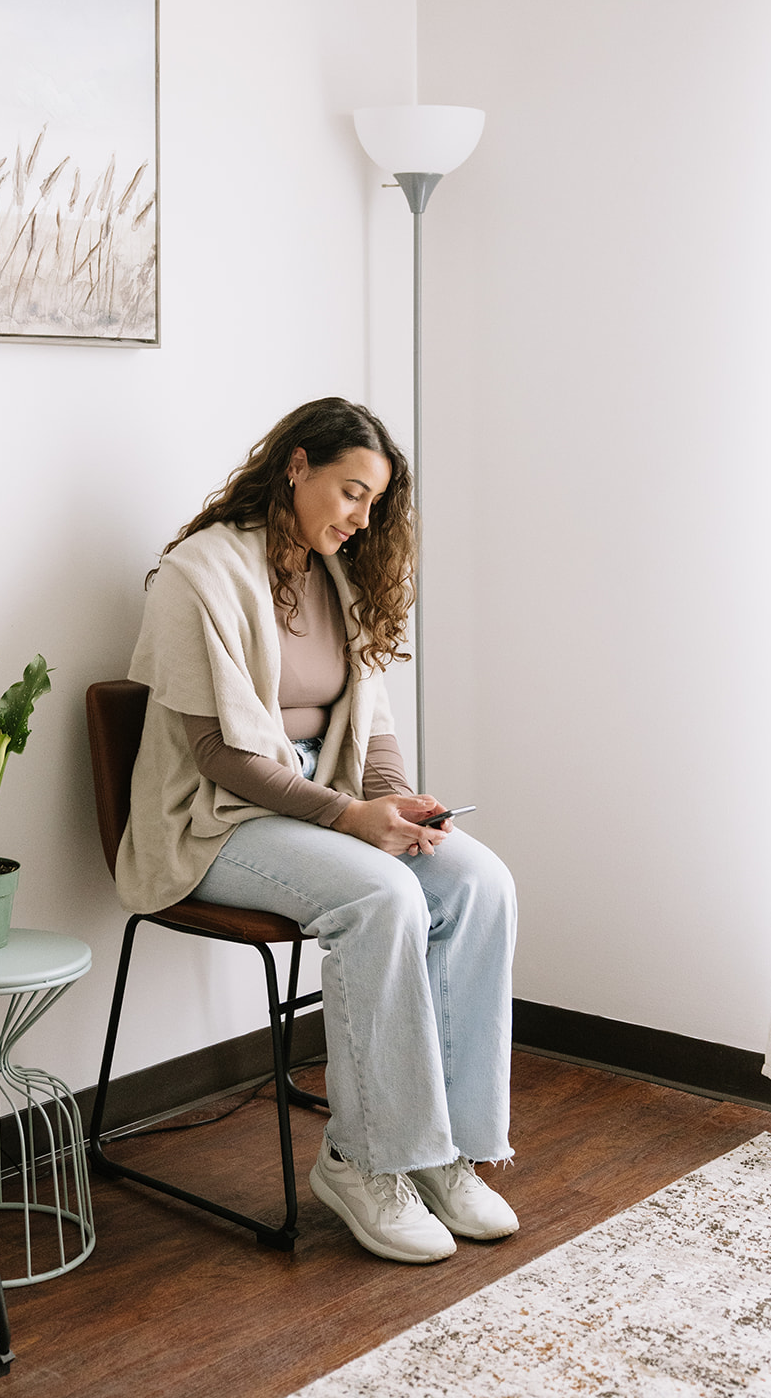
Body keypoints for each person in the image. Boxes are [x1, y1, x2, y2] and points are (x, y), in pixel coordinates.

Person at [115, 396, 518, 1264]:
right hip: (215, 818)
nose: (362, 518)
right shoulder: (199, 573)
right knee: (380, 898)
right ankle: (364, 1159)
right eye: (350, 493)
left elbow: (368, 725)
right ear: (296, 466)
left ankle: (443, 1148)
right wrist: (350, 818)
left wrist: (397, 805)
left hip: (322, 805)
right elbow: (217, 754)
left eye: (375, 502)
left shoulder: (338, 574)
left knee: (478, 881)